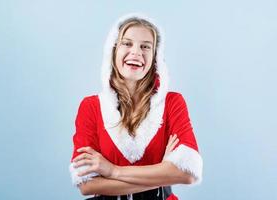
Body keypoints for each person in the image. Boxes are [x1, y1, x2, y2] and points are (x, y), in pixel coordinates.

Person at [69, 13, 203, 200]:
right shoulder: (90, 107)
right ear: (113, 50)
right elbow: (87, 184)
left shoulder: (172, 103)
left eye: (145, 46)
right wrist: (163, 173)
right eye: (127, 43)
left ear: (155, 57)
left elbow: (188, 173)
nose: (136, 52)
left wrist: (112, 171)